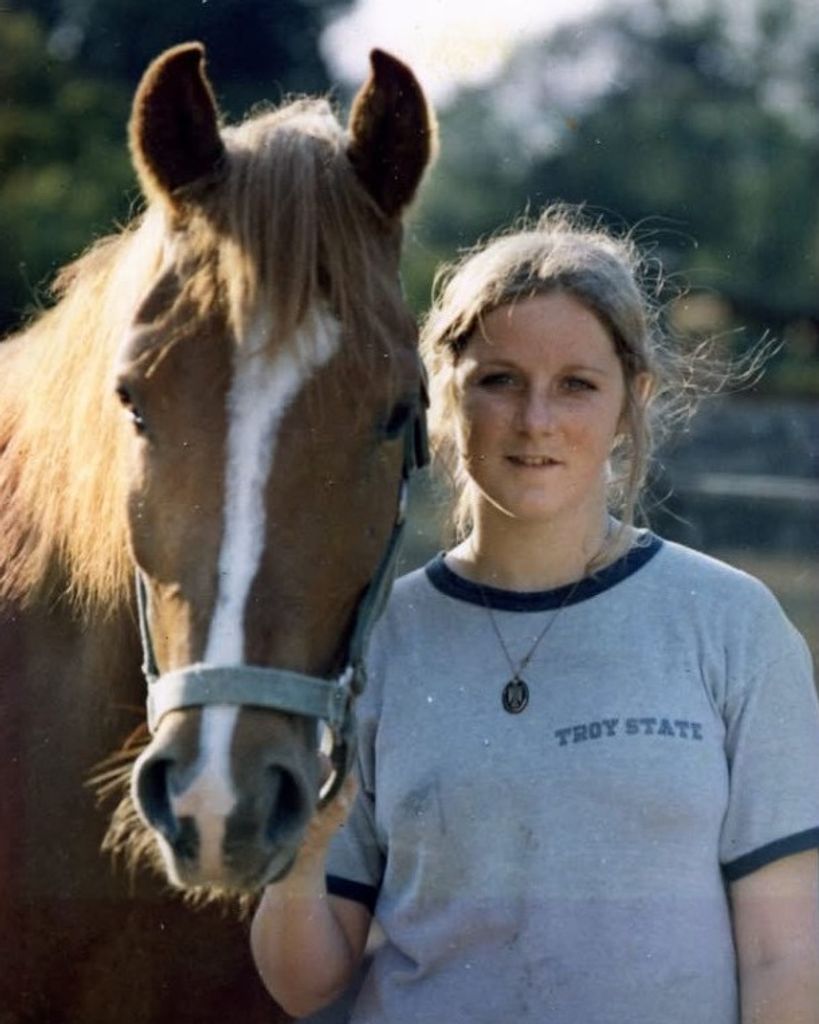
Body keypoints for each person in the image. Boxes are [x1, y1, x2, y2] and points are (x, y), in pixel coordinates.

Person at [250, 207, 819, 1023]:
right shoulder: (373, 644)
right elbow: (307, 985)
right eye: (498, 379)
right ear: (444, 391)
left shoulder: (731, 626)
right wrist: (297, 864)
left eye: (576, 385)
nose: (534, 421)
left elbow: (784, 954)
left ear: (632, 401)